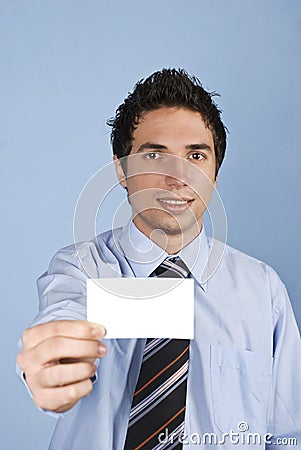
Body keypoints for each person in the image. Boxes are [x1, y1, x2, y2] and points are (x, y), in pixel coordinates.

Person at [17, 69, 301, 449]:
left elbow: (287, 435)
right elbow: (65, 316)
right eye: (154, 154)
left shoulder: (263, 289)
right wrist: (54, 369)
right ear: (121, 169)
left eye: (196, 155)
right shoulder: (80, 268)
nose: (177, 177)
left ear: (215, 174)